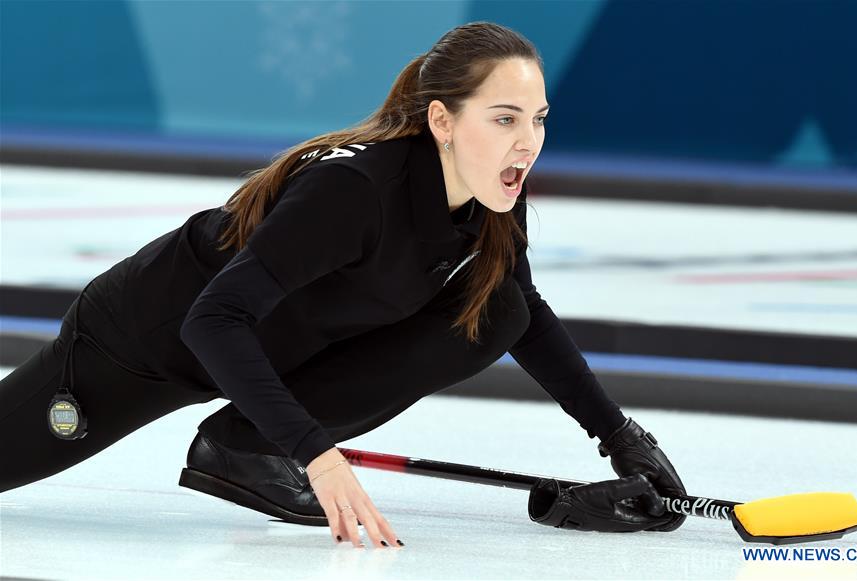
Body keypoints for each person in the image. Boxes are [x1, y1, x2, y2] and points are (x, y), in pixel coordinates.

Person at [0, 21, 686, 549]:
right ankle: (254, 443)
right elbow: (211, 321)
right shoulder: (354, 190)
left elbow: (524, 314)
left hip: (265, 352)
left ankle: (247, 443)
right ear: (442, 121)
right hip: (136, 345)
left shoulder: (491, 192)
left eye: (536, 119)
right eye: (503, 118)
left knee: (497, 307)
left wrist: (618, 433)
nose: (526, 141)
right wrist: (317, 456)